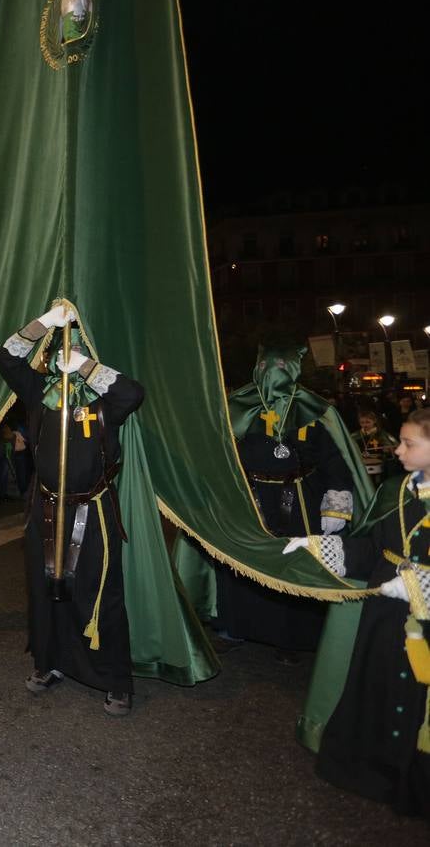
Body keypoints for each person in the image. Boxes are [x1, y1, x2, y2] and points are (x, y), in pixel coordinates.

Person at [0, 305, 143, 716]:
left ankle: (114, 678)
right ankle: (49, 663)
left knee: (99, 594)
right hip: (45, 507)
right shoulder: (38, 390)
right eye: (65, 348)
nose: (66, 353)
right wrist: (43, 323)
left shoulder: (104, 399)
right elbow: (6, 356)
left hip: (91, 510)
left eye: (75, 348)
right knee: (44, 592)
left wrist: (86, 368)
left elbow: (133, 393)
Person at [290, 408, 430, 817]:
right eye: (400, 441)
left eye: (409, 444)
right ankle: (377, 772)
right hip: (385, 618)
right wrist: (320, 548)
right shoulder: (394, 490)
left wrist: (418, 586)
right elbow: (372, 548)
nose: (398, 450)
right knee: (381, 689)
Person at [221, 344, 363, 655]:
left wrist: (336, 505)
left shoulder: (316, 409)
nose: (274, 376)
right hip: (253, 499)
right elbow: (221, 456)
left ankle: (296, 637)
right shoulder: (236, 406)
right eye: (268, 369)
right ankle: (240, 628)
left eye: (282, 369)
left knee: (297, 561)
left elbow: (334, 460)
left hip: (302, 500)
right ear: (257, 370)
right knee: (245, 562)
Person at [352, 408, 401, 484]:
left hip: (381, 466)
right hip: (361, 465)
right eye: (362, 422)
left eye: (368, 422)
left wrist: (388, 450)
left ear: (374, 421)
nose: (364, 425)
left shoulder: (382, 434)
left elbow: (395, 446)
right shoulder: (355, 436)